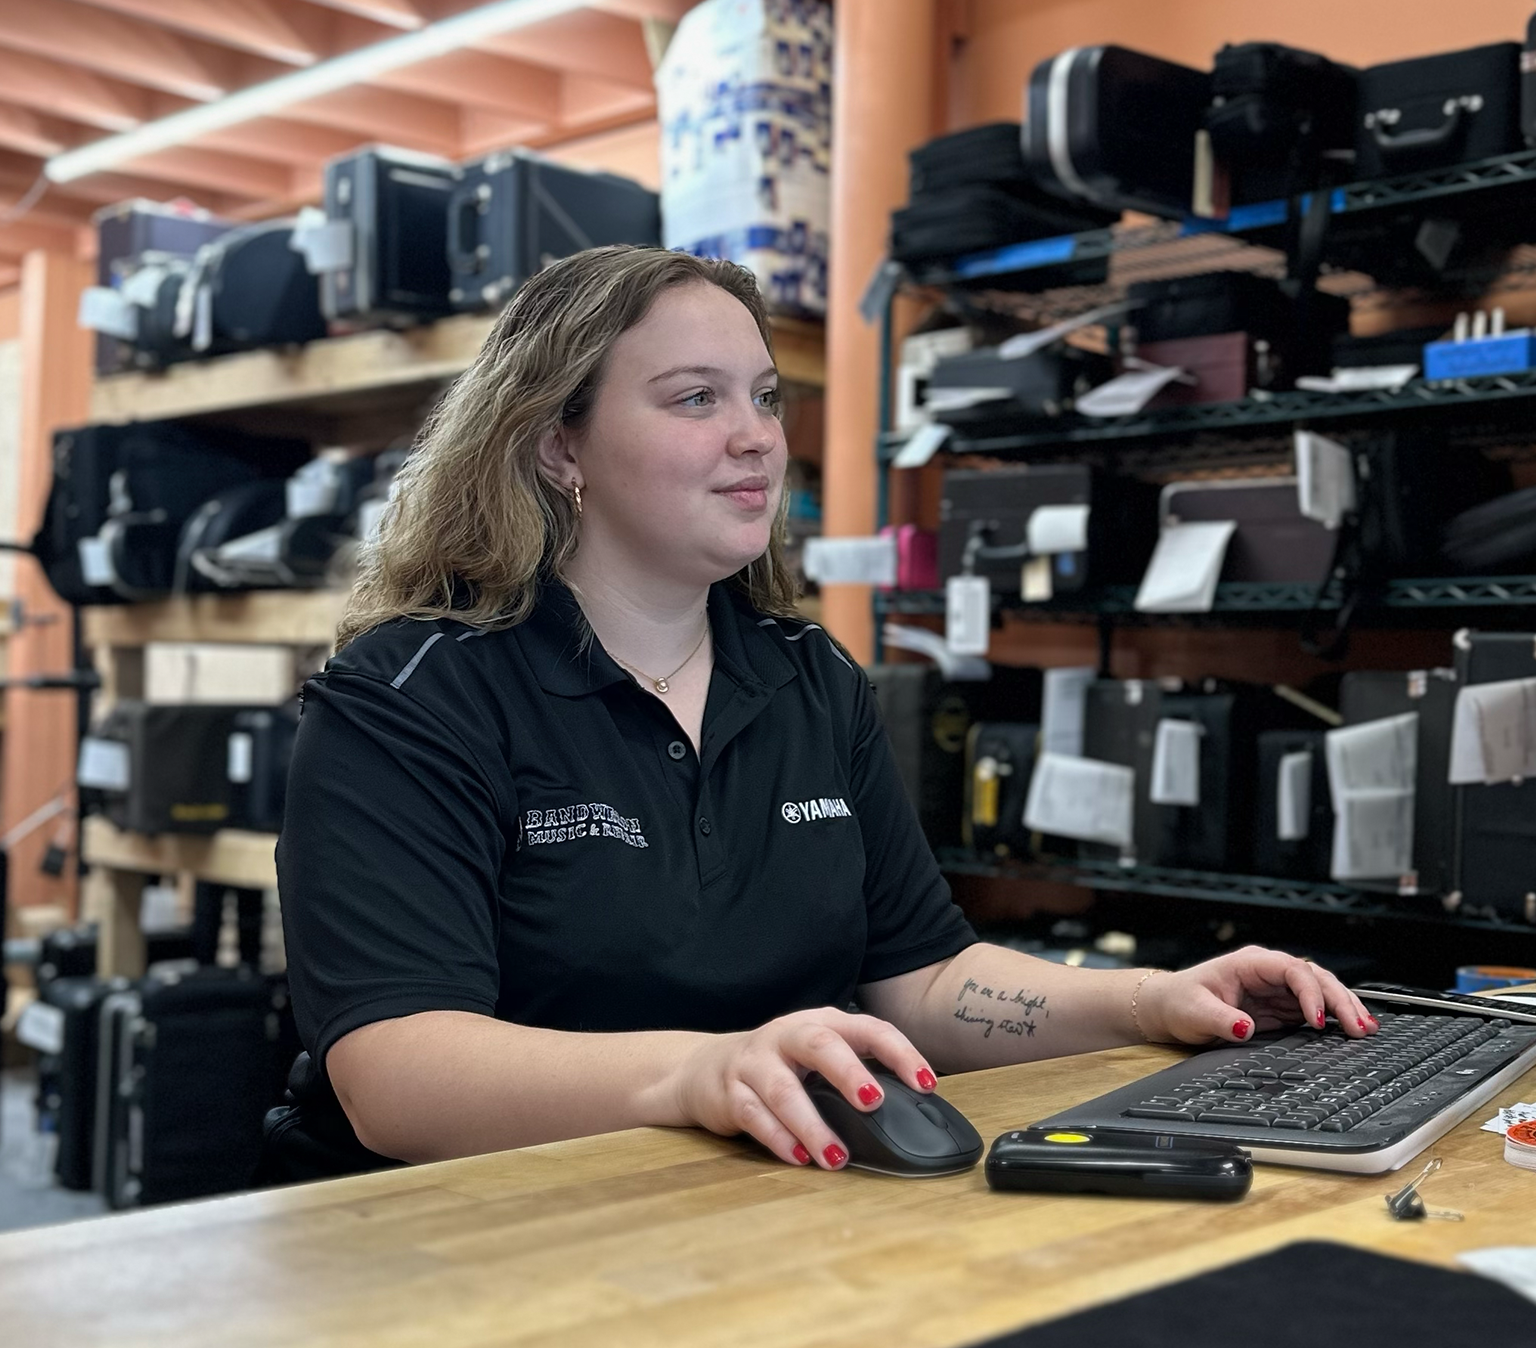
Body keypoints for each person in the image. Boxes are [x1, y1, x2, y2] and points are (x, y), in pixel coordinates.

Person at [278, 246, 1375, 1173]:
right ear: (559, 443)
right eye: (695, 397)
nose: (756, 434)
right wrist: (703, 1069)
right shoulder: (411, 693)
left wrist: (1152, 1001)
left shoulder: (810, 679)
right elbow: (397, 1071)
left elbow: (926, 979)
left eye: (763, 395)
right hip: (465, 1244)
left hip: (752, 1205)